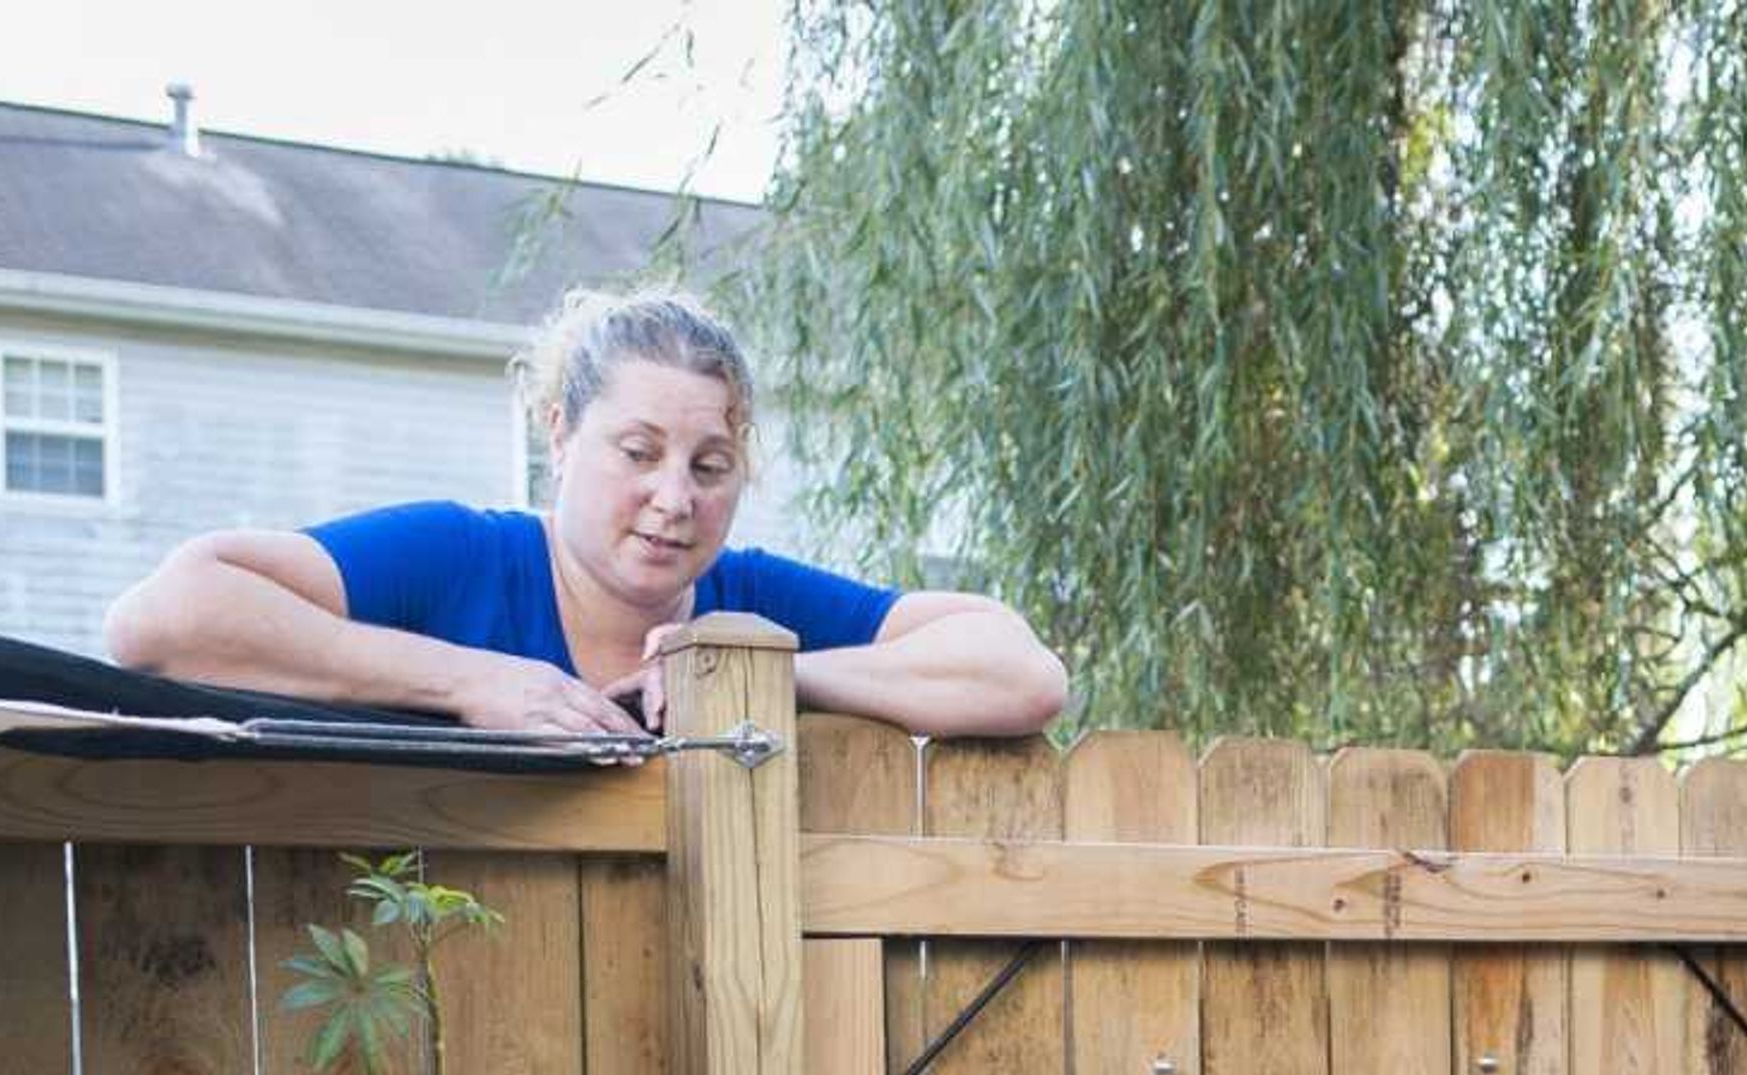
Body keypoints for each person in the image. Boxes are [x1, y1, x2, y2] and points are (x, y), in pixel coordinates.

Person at [106, 286, 1067, 741]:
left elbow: (1020, 674)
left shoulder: (749, 600)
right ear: (560, 436)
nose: (674, 499)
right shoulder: (459, 558)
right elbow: (162, 621)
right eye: (638, 453)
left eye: (712, 464)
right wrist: (471, 682)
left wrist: (761, 674)